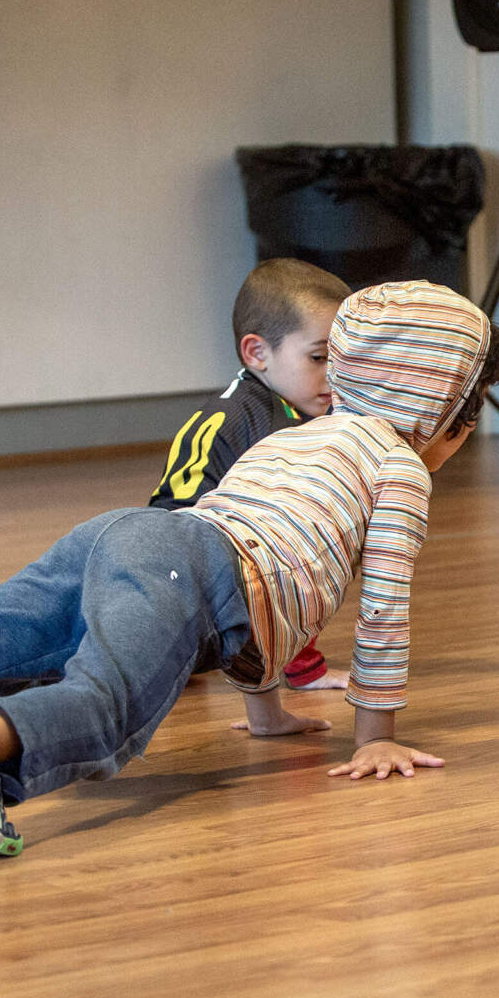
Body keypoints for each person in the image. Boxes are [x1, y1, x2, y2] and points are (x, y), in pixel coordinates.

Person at [0, 281, 499, 857]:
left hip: (133, 535)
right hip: (191, 564)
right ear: (445, 408)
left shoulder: (296, 433)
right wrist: (376, 738)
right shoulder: (401, 472)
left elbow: (268, 563)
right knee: (109, 707)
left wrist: (269, 719)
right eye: (465, 420)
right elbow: (380, 607)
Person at [150, 257, 354, 691]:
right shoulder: (226, 419)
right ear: (257, 353)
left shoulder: (311, 410)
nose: (335, 374)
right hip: (171, 583)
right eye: (319, 357)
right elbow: (169, 524)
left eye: (344, 358)